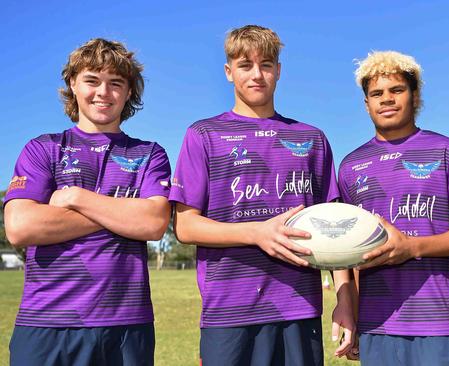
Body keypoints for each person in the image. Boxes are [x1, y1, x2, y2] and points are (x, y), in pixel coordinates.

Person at [169, 25, 355, 365]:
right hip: (228, 310)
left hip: (299, 307)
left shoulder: (312, 139)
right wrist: (256, 233)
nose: (257, 74)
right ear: (229, 72)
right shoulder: (203, 135)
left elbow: (335, 226)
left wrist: (345, 298)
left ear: (279, 71)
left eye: (266, 64)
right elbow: (186, 227)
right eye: (245, 65)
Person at [4, 38, 171, 365]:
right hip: (46, 321)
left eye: (116, 83)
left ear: (129, 92)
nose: (103, 92)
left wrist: (76, 198)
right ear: (73, 84)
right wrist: (123, 212)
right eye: (92, 80)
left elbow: (153, 223)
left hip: (125, 323)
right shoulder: (43, 149)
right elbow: (21, 227)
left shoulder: (149, 154)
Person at [338, 51, 449, 365]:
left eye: (397, 90)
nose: (387, 99)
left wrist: (412, 247)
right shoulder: (351, 166)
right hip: (376, 325)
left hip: (436, 323)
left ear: (415, 95)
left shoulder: (448, 151)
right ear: (366, 103)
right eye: (376, 94)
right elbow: (343, 249)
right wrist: (348, 310)